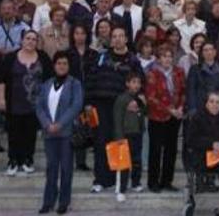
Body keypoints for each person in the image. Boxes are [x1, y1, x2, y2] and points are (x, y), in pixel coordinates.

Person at [83, 26, 142, 193]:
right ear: (111, 39)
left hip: (124, 107)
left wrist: (134, 101)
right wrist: (88, 102)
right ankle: (100, 180)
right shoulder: (101, 57)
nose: (117, 39)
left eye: (120, 36)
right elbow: (91, 79)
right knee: (101, 143)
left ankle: (117, 179)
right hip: (101, 105)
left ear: (126, 39)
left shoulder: (133, 60)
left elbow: (140, 83)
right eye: (114, 36)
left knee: (120, 143)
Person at [0, 29, 53, 175]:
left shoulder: (43, 57)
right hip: (14, 102)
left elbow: (49, 80)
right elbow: (1, 79)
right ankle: (13, 161)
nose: (30, 41)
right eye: (28, 38)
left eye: (34, 39)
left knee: (30, 133)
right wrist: (1, 98)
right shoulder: (10, 58)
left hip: (35, 104)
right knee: (14, 133)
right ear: (22, 40)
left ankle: (28, 160)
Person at [36, 51, 84, 214]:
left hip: (66, 133)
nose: (61, 66)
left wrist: (60, 124)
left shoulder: (75, 84)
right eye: (59, 63)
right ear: (54, 65)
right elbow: (39, 106)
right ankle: (48, 201)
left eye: (64, 63)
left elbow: (76, 106)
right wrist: (47, 124)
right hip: (49, 133)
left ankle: (64, 201)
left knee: (66, 169)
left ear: (69, 66)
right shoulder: (47, 84)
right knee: (51, 169)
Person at [186, 92, 219, 216]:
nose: (215, 105)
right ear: (206, 103)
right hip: (202, 157)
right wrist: (211, 144)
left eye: (218, 102)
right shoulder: (197, 118)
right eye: (212, 101)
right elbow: (191, 140)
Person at [145, 45, 185, 193]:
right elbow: (151, 97)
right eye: (164, 56)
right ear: (159, 59)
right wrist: (169, 109)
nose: (167, 59)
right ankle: (153, 182)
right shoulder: (152, 74)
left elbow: (183, 92)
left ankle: (167, 181)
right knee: (155, 150)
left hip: (175, 117)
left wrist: (180, 108)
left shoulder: (179, 72)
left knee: (171, 150)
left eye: (169, 56)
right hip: (157, 116)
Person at [112, 73, 147, 200]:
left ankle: (136, 182)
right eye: (133, 82)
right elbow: (117, 118)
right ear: (127, 83)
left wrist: (143, 104)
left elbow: (144, 113)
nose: (136, 85)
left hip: (137, 133)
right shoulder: (122, 99)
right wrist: (119, 136)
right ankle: (121, 189)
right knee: (124, 163)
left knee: (137, 160)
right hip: (125, 135)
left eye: (138, 82)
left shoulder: (140, 98)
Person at [66, 23, 91, 171]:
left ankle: (81, 161)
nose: (80, 36)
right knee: (71, 129)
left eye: (82, 33)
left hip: (89, 97)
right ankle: (68, 159)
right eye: (77, 33)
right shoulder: (67, 54)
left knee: (85, 129)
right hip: (71, 97)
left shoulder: (93, 54)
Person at [185, 42, 219, 116]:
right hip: (200, 107)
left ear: (215, 52)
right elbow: (191, 90)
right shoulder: (195, 69)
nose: (209, 52)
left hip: (218, 106)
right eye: (205, 50)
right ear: (202, 53)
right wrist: (192, 109)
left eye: (211, 49)